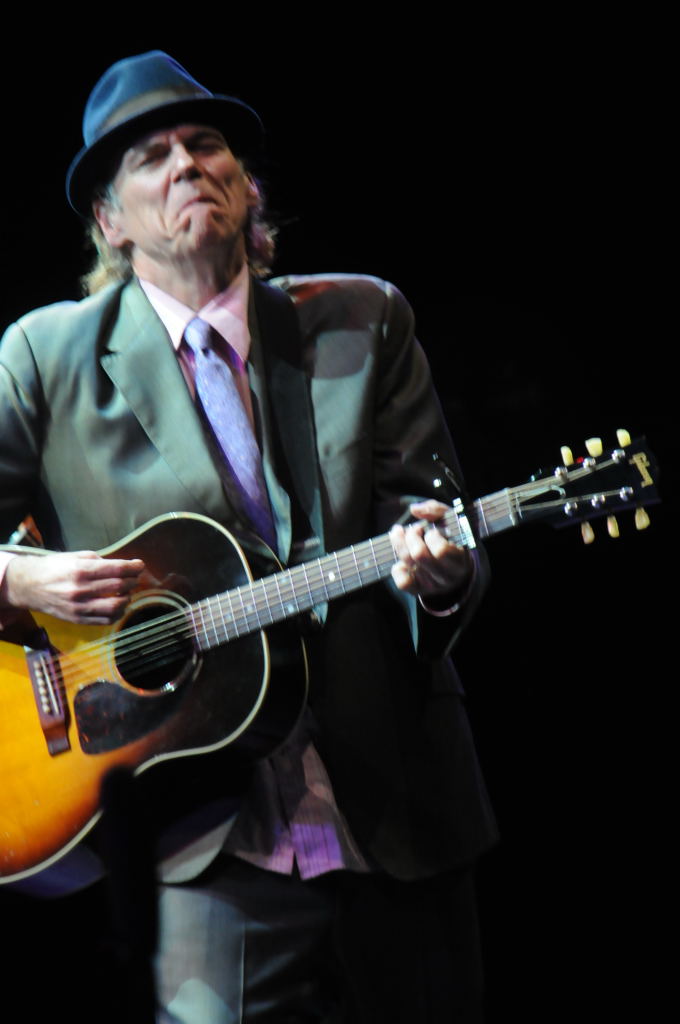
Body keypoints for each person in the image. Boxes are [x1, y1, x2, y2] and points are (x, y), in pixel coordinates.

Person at [0, 51, 497, 1023]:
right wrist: (20, 580)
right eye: (152, 157)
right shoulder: (44, 357)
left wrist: (439, 575)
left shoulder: (362, 318)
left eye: (206, 143)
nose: (187, 164)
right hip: (203, 839)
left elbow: (433, 521)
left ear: (248, 185)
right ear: (108, 218)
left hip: (398, 802)